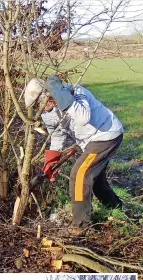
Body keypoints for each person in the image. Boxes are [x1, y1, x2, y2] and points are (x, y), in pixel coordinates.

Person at [24, 76, 124, 236]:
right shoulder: (47, 113)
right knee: (96, 181)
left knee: (79, 176)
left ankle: (80, 225)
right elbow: (57, 135)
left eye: (40, 103)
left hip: (106, 135)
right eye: (36, 106)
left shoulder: (76, 92)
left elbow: (83, 117)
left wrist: (61, 95)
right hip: (91, 141)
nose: (41, 108)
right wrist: (52, 160)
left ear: (48, 94)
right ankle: (117, 209)